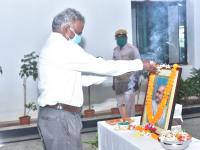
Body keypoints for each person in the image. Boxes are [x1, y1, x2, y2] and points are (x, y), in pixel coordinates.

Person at [37, 8, 156, 150]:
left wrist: (111, 74)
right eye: (79, 32)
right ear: (67, 29)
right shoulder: (63, 48)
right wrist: (140, 64)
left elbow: (78, 80)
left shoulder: (52, 46)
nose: (79, 36)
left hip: (56, 116)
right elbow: (100, 65)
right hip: (61, 118)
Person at [112, 29, 141, 117]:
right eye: (118, 38)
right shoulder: (115, 50)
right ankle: (124, 124)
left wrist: (136, 81)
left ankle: (132, 125)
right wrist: (113, 82)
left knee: (129, 106)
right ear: (116, 39)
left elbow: (138, 65)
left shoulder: (132, 49)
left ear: (126, 38)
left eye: (122, 37)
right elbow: (113, 66)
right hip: (118, 82)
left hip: (129, 82)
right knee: (120, 105)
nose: (120, 39)